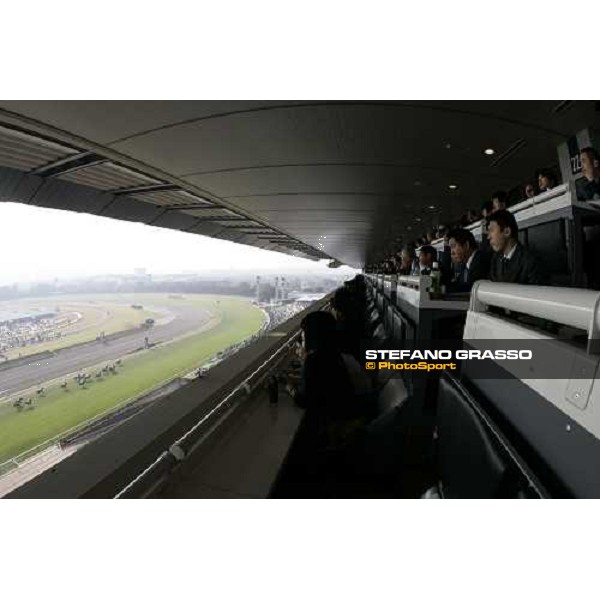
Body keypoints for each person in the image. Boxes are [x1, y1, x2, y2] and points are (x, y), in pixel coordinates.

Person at [487, 210, 544, 284]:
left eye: (491, 230)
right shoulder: (495, 259)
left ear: (507, 232)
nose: (488, 237)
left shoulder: (530, 261)